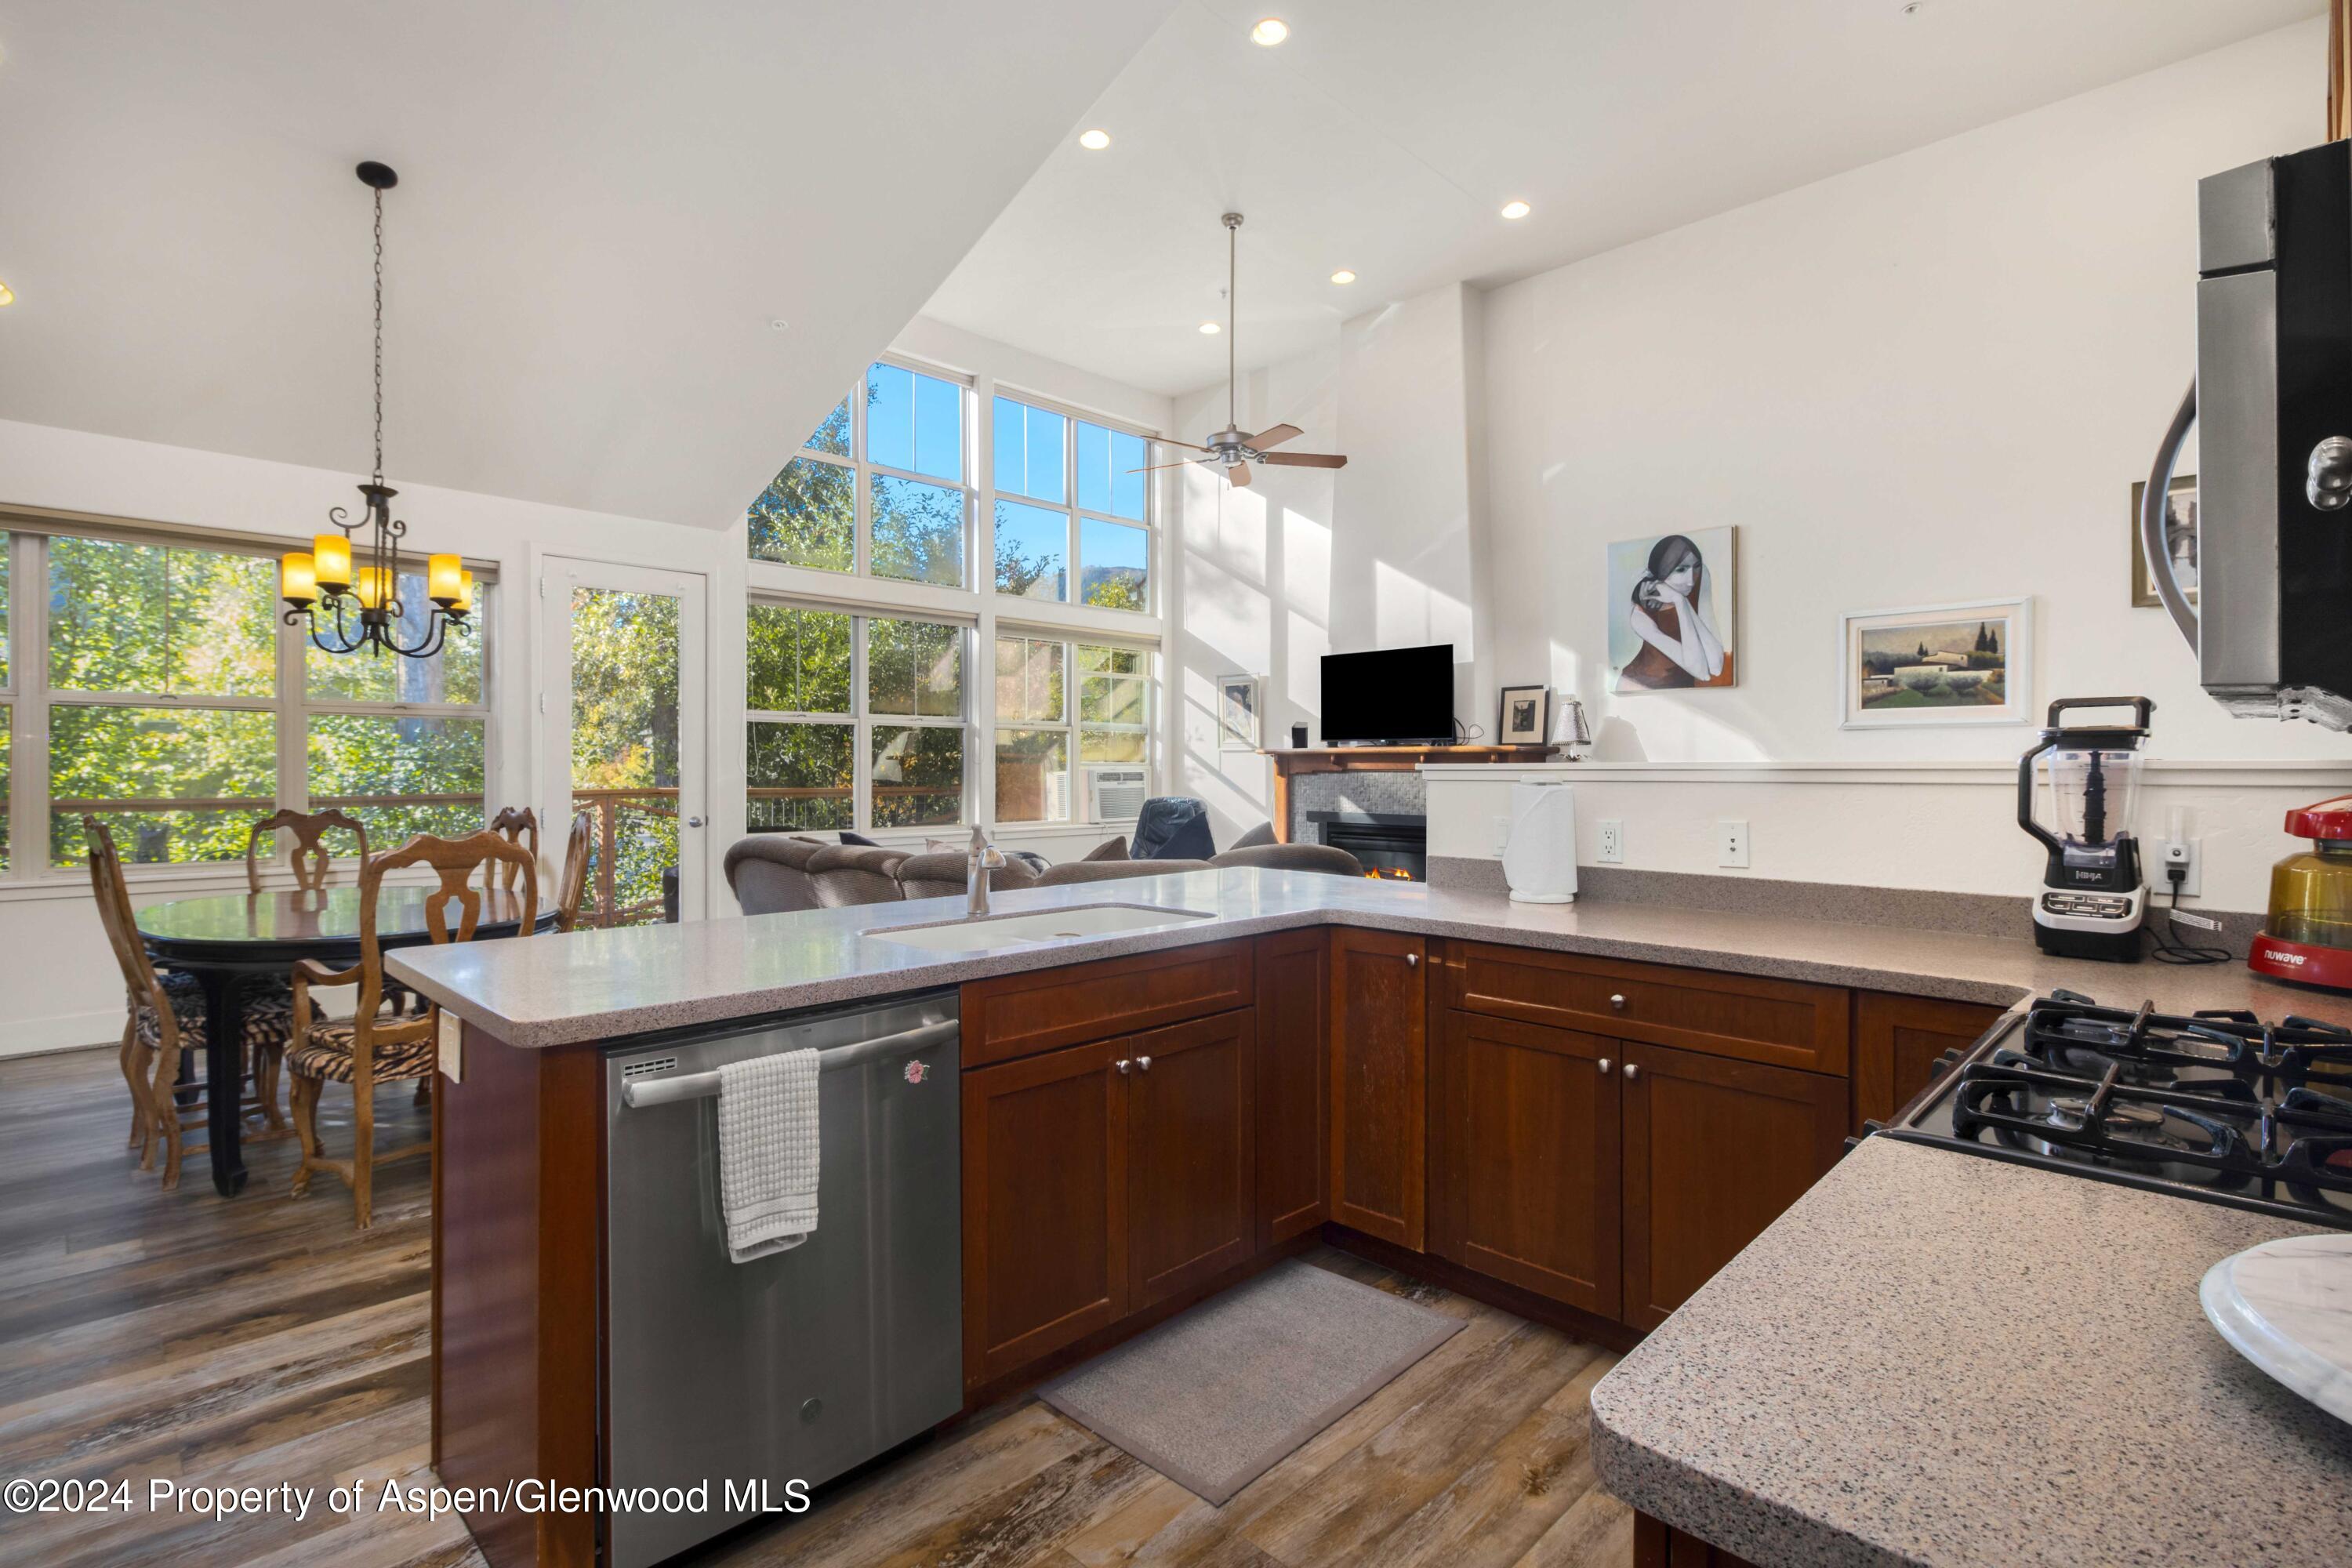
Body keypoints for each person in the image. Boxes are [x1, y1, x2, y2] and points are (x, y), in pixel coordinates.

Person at [1618, 533, 1730, 690]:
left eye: (1696, 567)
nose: (1691, 579)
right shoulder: (1639, 616)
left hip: (1684, 691)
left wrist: (1682, 603)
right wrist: (1680, 602)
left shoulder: (1698, 582)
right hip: (1640, 689)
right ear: (1662, 571)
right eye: (1681, 569)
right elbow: (1701, 672)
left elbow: (1716, 667)